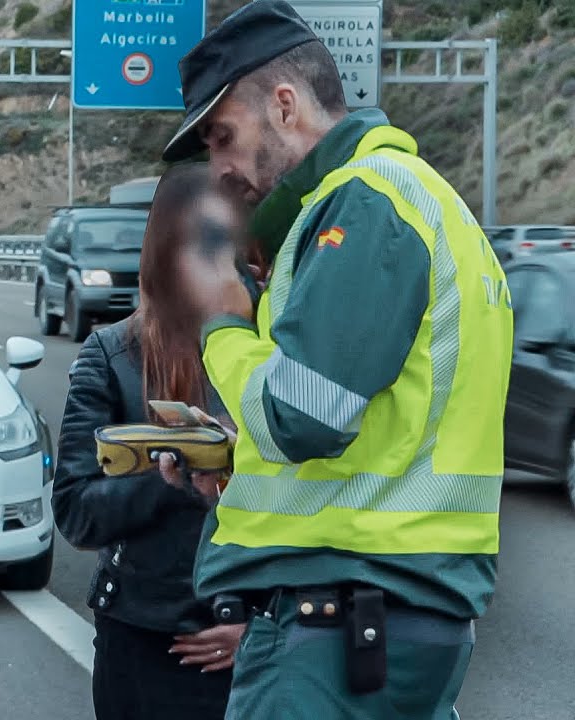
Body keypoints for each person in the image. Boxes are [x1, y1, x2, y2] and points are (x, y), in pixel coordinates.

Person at [158, 1, 514, 717]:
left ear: (284, 107)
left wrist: (223, 321)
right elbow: (381, 419)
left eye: (223, 137)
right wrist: (236, 457)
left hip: (335, 633)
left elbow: (305, 416)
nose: (220, 169)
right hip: (391, 619)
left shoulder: (367, 202)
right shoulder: (420, 202)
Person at [51, 163, 260, 720]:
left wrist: (263, 623)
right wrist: (171, 478)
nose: (217, 263)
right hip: (146, 635)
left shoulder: (277, 344)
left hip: (262, 642)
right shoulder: (113, 354)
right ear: (165, 252)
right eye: (201, 244)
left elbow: (327, 498)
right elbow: (76, 512)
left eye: (226, 242)